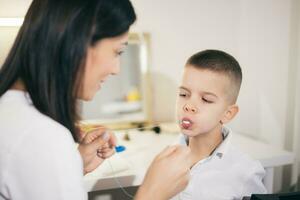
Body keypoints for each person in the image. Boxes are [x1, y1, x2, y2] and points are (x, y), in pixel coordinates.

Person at [0, 0, 192, 200]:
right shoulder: (43, 137)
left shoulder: (12, 111)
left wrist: (74, 165)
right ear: (78, 42)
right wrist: (153, 193)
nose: (116, 69)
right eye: (117, 52)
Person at [172, 50, 267, 200]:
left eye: (206, 100)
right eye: (184, 94)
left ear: (227, 113)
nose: (189, 106)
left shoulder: (246, 171)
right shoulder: (164, 159)